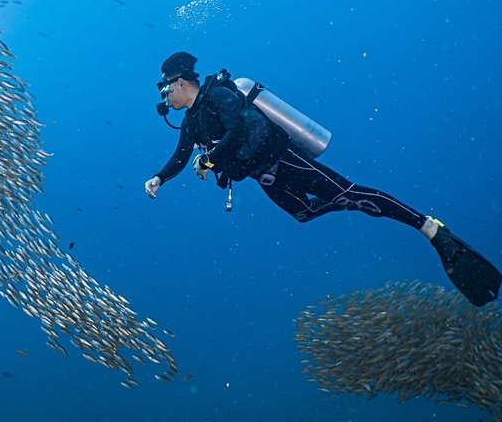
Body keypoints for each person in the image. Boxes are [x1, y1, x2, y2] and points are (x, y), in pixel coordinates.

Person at [144, 51, 501, 307]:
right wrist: (160, 178)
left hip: (284, 160)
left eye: (164, 91)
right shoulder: (191, 121)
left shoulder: (218, 95)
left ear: (178, 84)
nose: (165, 99)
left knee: (349, 193)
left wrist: (209, 160)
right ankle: (355, 203)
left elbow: (237, 129)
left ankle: (429, 227)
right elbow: (180, 155)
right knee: (305, 214)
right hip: (264, 176)